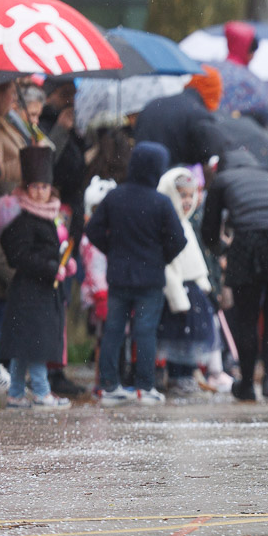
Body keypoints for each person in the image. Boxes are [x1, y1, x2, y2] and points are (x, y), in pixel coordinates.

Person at [201, 147, 268, 402]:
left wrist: (221, 251)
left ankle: (248, 384)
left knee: (247, 317)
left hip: (249, 238)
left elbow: (209, 229)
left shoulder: (222, 180)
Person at [83, 141, 187, 404]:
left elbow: (93, 229)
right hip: (150, 279)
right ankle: (145, 386)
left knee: (114, 331)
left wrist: (112, 251)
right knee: (145, 332)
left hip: (118, 276)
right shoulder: (161, 203)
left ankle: (108, 386)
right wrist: (160, 258)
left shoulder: (115, 197)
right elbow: (178, 240)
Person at [0, 146, 74, 409]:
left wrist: (65, 263)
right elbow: (20, 256)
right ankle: (41, 392)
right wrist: (51, 267)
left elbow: (51, 249)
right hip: (29, 292)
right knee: (35, 343)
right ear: (27, 187)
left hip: (43, 291)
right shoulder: (23, 218)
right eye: (35, 186)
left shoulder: (52, 216)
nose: (40, 192)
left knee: (25, 344)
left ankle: (16, 393)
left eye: (44, 186)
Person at [155, 167, 219, 397]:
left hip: (192, 289)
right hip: (178, 292)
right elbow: (171, 265)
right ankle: (177, 376)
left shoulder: (186, 223)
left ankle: (187, 374)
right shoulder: (169, 224)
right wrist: (178, 297)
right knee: (178, 339)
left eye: (191, 196)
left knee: (190, 339)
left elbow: (195, 258)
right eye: (182, 195)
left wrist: (204, 283)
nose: (188, 201)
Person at [133, 67, 224, 167]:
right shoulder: (198, 114)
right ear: (212, 91)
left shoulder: (154, 104)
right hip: (175, 178)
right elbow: (209, 154)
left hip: (142, 173)